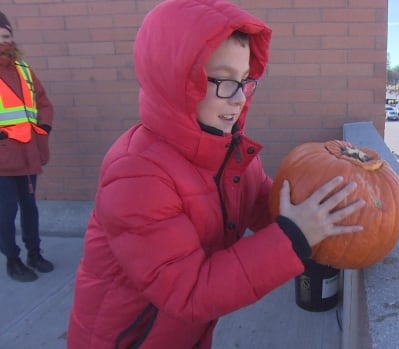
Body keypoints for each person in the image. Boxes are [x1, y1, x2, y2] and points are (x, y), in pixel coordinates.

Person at [66, 0, 365, 348]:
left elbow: (270, 207)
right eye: (223, 80)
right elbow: (189, 291)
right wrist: (293, 238)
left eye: (244, 80)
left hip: (185, 335)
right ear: (175, 80)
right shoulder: (137, 175)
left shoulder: (229, 152)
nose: (239, 98)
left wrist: (335, 215)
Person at [0, 11, 54, 282]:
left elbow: (42, 101)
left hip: (29, 154)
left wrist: (43, 128)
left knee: (30, 207)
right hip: (3, 160)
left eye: (6, 36)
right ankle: (12, 259)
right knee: (6, 212)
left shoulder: (23, 68)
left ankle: (35, 252)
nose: (3, 42)